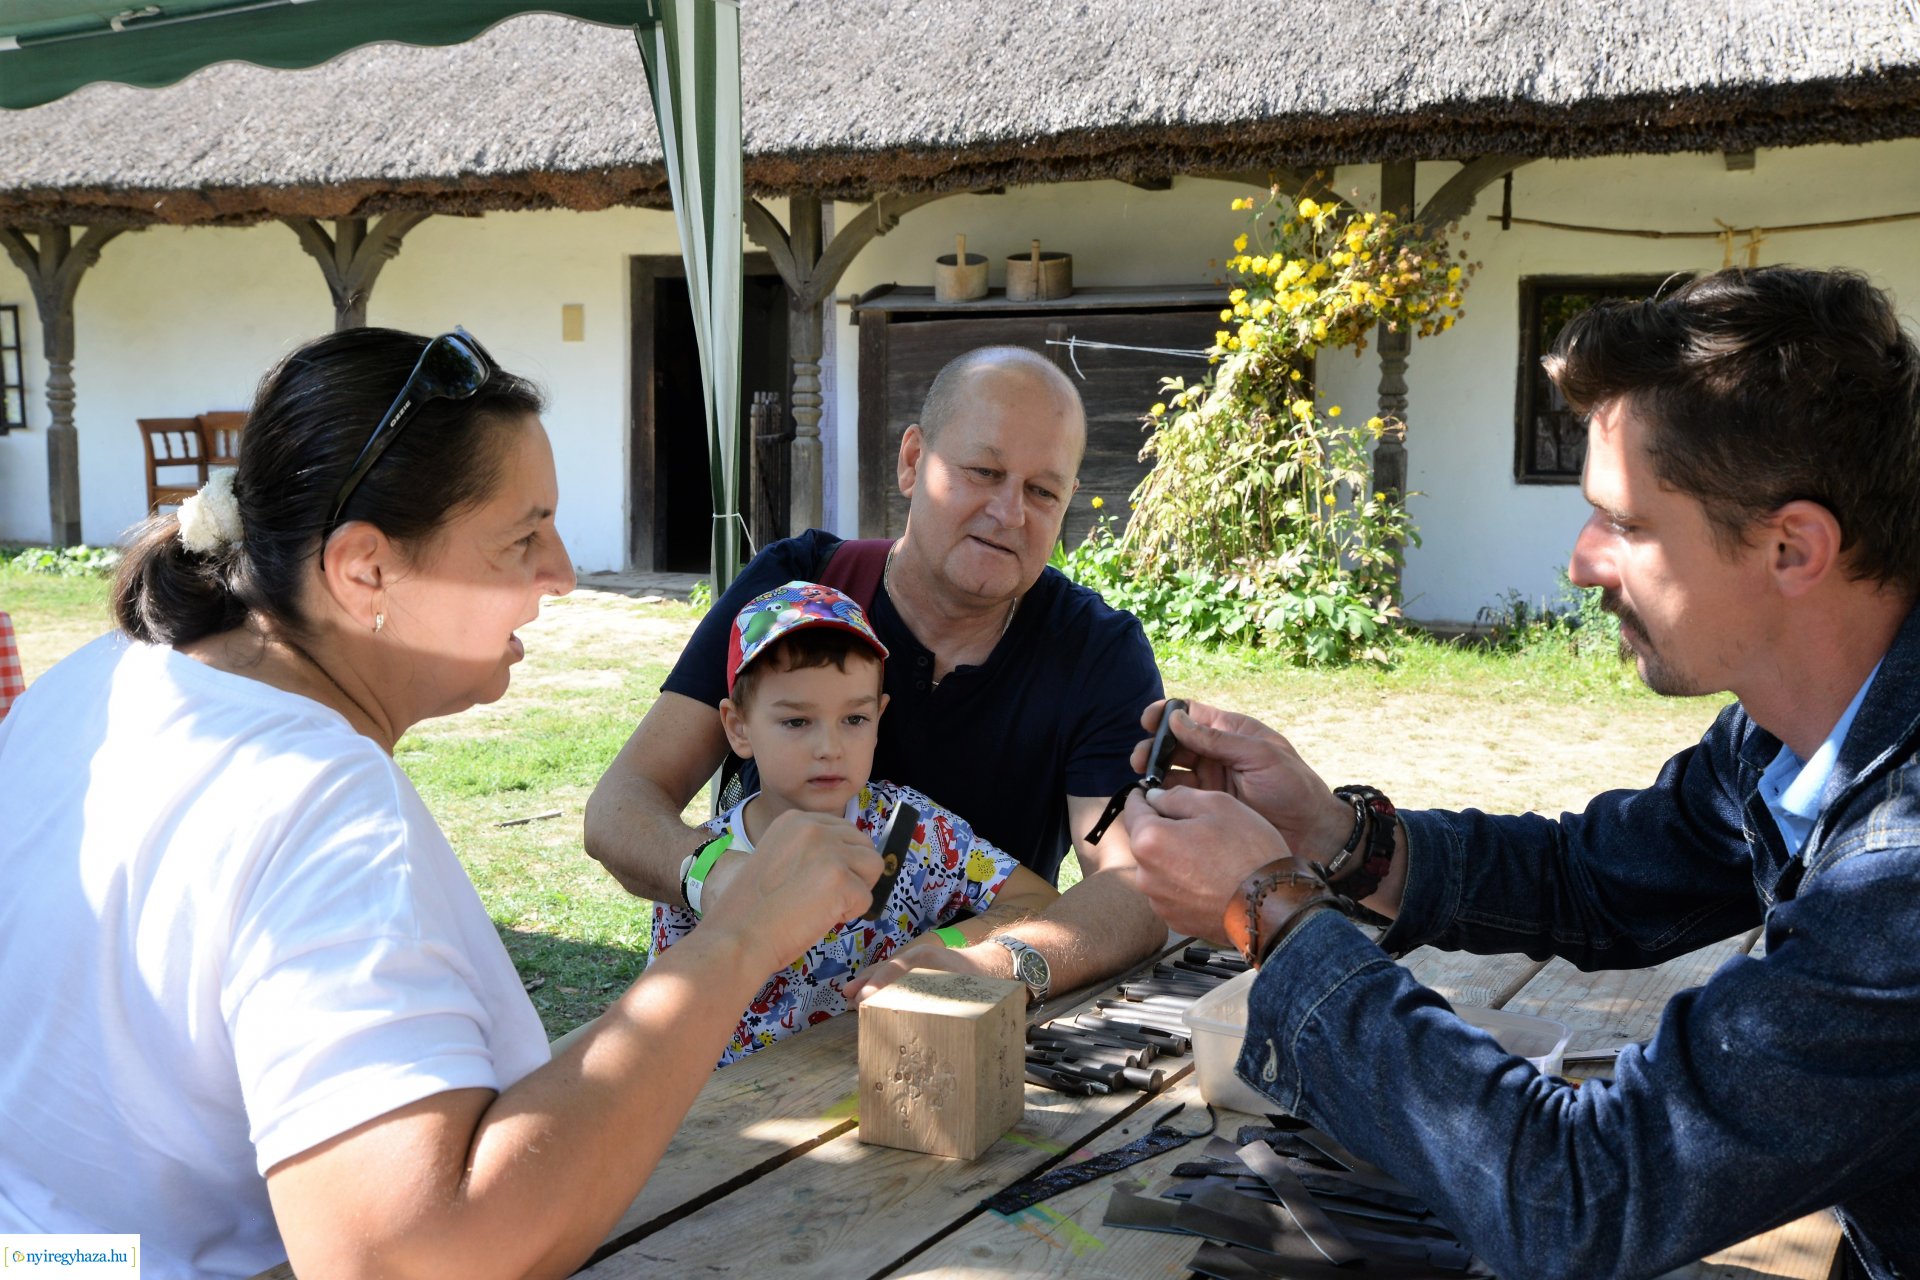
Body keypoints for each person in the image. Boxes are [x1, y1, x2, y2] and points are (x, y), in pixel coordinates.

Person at [0, 328, 878, 1280]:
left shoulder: (95, 679)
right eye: (522, 537)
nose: (563, 573)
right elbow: (409, 1258)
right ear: (365, 569)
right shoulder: (317, 804)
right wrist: (739, 937)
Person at [1119, 266, 1920, 1280]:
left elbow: (1579, 1195)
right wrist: (1334, 834)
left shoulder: (1904, 877)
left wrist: (1269, 907)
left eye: (1626, 524)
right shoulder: (1791, 733)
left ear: (1793, 545)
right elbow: (1595, 875)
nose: (1582, 562)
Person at [587, 344, 1166, 992]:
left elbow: (1133, 890)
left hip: (956, 1030)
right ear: (913, 461)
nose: (1010, 513)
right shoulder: (798, 588)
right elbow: (619, 809)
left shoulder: (1095, 653)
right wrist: (721, 879)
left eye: (1042, 490)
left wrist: (989, 963)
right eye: (983, 471)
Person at [655, 579, 1126, 1062]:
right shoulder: (705, 866)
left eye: (854, 719)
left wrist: (942, 947)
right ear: (738, 727)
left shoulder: (910, 829)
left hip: (888, 1093)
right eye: (797, 721)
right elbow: (659, 1033)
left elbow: (1037, 899)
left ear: (879, 717)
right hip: (740, 1122)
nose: (830, 747)